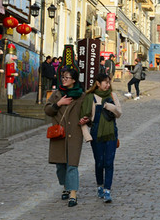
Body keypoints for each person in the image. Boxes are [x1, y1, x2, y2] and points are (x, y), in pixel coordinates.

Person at [44, 68, 85, 207]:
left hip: (75, 134)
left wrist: (86, 120)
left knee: (72, 165)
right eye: (63, 77)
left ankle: (73, 194)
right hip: (59, 134)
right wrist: (59, 104)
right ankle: (66, 186)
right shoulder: (56, 94)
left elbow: (88, 114)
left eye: (67, 77)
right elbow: (47, 110)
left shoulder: (81, 96)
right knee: (60, 165)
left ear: (74, 80)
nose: (64, 79)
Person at [80, 72, 122, 204]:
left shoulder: (112, 96)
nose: (108, 85)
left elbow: (119, 113)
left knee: (109, 162)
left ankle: (107, 190)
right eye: (105, 82)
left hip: (111, 134)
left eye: (109, 82)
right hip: (96, 135)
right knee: (100, 162)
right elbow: (83, 120)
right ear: (98, 83)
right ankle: (100, 186)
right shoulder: (90, 97)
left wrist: (110, 107)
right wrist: (87, 136)